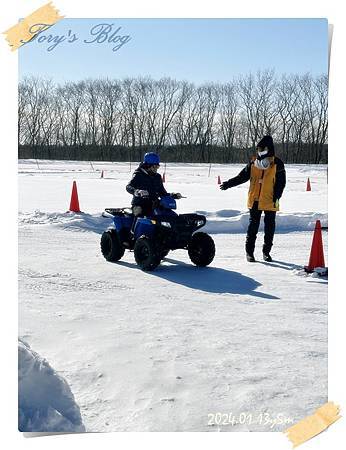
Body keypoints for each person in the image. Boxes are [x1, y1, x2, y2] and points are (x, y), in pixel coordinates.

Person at [220, 135, 286, 262]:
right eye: (258, 148)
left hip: (271, 200)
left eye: (262, 148)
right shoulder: (253, 163)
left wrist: (277, 196)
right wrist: (228, 184)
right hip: (255, 199)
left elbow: (281, 182)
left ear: (269, 148)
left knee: (269, 228)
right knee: (252, 228)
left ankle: (266, 252)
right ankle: (249, 253)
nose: (259, 150)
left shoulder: (277, 163)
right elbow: (242, 177)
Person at [126, 152, 182, 219]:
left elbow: (162, 192)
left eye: (158, 166)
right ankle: (132, 229)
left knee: (169, 216)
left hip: (154, 205)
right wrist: (137, 192)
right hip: (140, 204)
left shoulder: (157, 177)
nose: (156, 169)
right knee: (139, 214)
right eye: (154, 166)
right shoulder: (138, 174)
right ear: (147, 165)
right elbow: (128, 187)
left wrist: (172, 195)